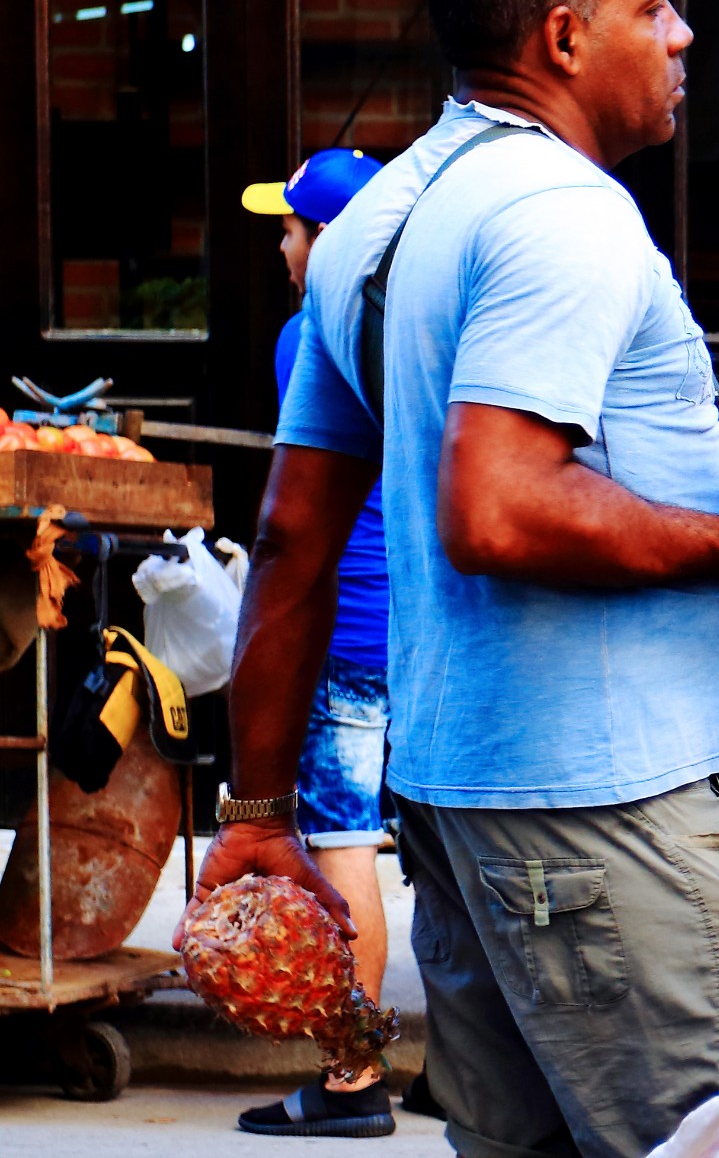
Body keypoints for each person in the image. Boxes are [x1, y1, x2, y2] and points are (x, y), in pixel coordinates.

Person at [182, 0, 719, 1158]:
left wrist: (257, 813)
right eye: (655, 4)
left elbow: (290, 538)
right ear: (562, 38)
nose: (680, 35)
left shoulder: (377, 221)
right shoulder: (565, 217)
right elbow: (498, 512)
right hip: (611, 817)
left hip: (464, 811)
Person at [239, 146, 404, 1137]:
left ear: (332, 243)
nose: (283, 246)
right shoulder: (419, 333)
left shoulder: (309, 336)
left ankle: (353, 1080)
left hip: (344, 627)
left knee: (342, 845)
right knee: (439, 851)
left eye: (293, 229)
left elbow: (295, 521)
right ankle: (466, 1066)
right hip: (422, 629)